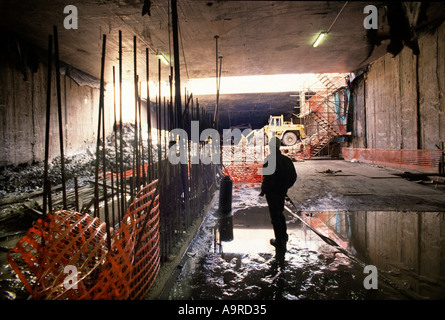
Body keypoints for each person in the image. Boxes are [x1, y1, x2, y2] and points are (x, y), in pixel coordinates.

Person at [259, 136, 297, 252]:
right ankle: (284, 236)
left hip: (272, 193)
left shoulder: (269, 160)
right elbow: (293, 176)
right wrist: (285, 187)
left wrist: (263, 191)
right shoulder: (287, 160)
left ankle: (279, 241)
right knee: (280, 213)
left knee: (275, 216)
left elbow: (267, 179)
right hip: (282, 191)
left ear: (270, 147)